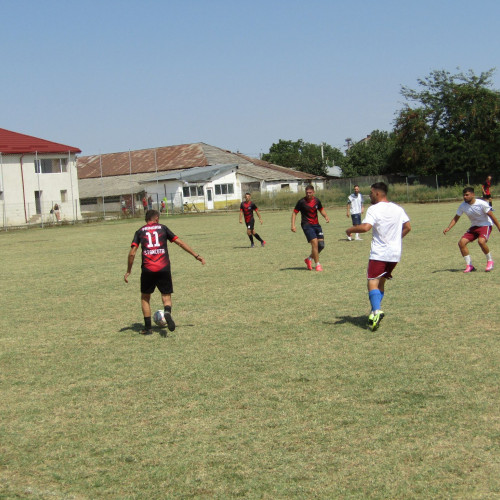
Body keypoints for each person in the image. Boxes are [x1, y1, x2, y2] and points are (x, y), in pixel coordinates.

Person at [124, 209, 206, 336]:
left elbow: (132, 253)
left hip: (148, 269)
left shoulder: (140, 231)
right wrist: (196, 255)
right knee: (166, 296)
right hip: (164, 268)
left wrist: (128, 271)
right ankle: (167, 312)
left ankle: (148, 328)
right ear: (156, 218)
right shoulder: (163, 228)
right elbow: (180, 243)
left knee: (145, 298)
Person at [346, 182, 411, 331]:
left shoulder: (374, 209)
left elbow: (365, 227)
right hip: (395, 254)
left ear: (377, 193)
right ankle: (374, 311)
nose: (369, 195)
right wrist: (396, 239)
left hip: (380, 253)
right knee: (381, 282)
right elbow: (408, 227)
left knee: (372, 282)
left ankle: (376, 311)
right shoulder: (398, 208)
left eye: (371, 193)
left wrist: (350, 229)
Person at [443, 186, 500, 273]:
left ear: (473, 195)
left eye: (467, 195)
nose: (465, 197)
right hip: (474, 226)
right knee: (461, 243)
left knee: (481, 242)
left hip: (485, 225)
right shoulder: (463, 205)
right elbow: (456, 218)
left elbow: (492, 217)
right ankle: (469, 265)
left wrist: (499, 227)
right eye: (464, 195)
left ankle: (490, 261)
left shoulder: (482, 203)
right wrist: (448, 227)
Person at [291, 185, 330, 271]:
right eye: (307, 193)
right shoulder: (301, 202)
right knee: (315, 243)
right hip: (306, 225)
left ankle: (309, 259)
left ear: (313, 192)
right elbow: (294, 213)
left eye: (310, 193)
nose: (308, 194)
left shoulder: (317, 201)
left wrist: (325, 216)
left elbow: (321, 209)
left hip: (316, 225)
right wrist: (293, 225)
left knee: (321, 245)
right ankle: (318, 265)